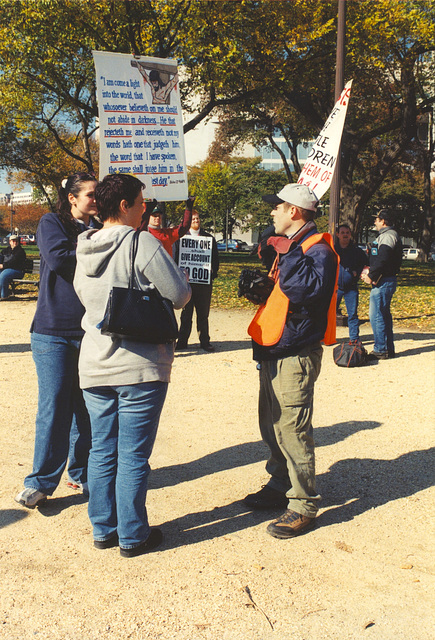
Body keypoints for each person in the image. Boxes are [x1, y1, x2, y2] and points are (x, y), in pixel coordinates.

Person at [73, 173, 191, 557]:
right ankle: (133, 535)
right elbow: (178, 294)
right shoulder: (140, 242)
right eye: (142, 203)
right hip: (138, 365)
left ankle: (102, 528)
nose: (146, 209)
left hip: (94, 363)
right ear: (124, 206)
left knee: (102, 451)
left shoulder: (83, 246)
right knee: (133, 455)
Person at [242, 184, 338, 538]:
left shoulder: (316, 250)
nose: (272, 213)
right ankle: (280, 483)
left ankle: (303, 505)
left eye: (277, 208)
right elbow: (288, 295)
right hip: (277, 346)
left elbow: (304, 291)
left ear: (294, 212)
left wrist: (287, 252)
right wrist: (263, 289)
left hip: (295, 351)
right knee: (271, 424)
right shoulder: (296, 248)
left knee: (292, 428)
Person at [15, 172, 98, 508]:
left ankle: (81, 472)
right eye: (91, 194)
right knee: (55, 407)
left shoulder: (101, 229)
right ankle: (40, 481)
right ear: (73, 198)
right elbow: (60, 257)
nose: (96, 199)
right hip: (53, 332)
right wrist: (99, 244)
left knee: (88, 408)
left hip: (92, 331)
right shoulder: (52, 222)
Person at [174, 211, 219, 352]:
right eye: (193, 219)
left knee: (203, 314)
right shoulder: (181, 239)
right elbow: (176, 259)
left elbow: (215, 260)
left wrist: (212, 274)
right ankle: (182, 341)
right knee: (186, 314)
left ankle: (205, 342)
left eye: (197, 218)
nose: (195, 221)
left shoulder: (209, 238)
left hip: (204, 283)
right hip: (186, 283)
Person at [361, 209, 402, 359]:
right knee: (383, 315)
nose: (375, 222)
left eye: (377, 219)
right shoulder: (387, 235)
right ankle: (387, 349)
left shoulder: (388, 236)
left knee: (377, 315)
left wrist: (371, 275)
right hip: (384, 280)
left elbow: (383, 258)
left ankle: (380, 349)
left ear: (383, 221)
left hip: (383, 281)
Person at [334, 224, 368, 342]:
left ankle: (354, 339)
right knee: (330, 314)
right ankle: (327, 337)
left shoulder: (356, 251)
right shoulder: (333, 250)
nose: (345, 235)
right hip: (335, 288)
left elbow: (366, 264)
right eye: (342, 233)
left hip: (351, 288)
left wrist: (357, 272)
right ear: (338, 234)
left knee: (352, 314)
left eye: (347, 233)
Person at [0, 234, 27, 299]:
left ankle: (4, 295)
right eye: (13, 241)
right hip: (6, 269)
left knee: (4, 275)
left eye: (16, 241)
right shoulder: (5, 250)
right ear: (10, 242)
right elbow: (1, 257)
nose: (15, 242)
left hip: (18, 271)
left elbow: (14, 262)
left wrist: (3, 265)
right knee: (3, 273)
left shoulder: (20, 251)